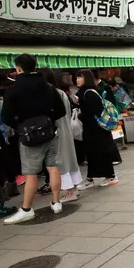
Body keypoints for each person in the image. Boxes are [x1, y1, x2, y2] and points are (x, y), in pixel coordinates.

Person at [1, 54, 66, 224]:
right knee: (52, 167)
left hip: (29, 137)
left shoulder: (13, 90)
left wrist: (21, 126)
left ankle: (27, 209)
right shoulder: (49, 87)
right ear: (35, 67)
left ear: (18, 69)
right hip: (50, 133)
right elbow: (61, 111)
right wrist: (48, 121)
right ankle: (56, 202)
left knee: (30, 174)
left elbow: (6, 117)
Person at [38, 68, 82, 203]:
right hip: (65, 129)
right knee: (69, 159)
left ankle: (69, 192)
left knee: (60, 161)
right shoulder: (61, 92)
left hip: (57, 132)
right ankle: (74, 188)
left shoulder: (48, 93)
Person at [75, 69, 119, 190]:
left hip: (96, 130)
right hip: (93, 130)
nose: (77, 80)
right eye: (77, 77)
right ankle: (91, 178)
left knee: (100, 153)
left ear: (87, 79)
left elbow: (92, 112)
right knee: (93, 154)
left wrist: (80, 116)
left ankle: (111, 176)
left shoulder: (89, 93)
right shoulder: (86, 92)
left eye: (80, 77)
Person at [92, 69, 122, 165]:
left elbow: (111, 101)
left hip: (106, 114)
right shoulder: (94, 87)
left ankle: (115, 157)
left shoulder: (104, 86)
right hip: (99, 115)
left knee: (107, 136)